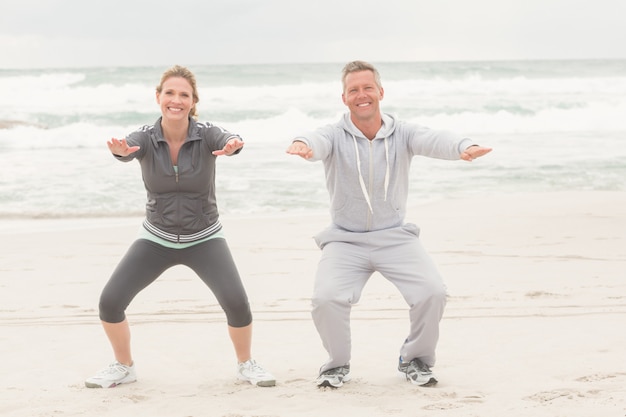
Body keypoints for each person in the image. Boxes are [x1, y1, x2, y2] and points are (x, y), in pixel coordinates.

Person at [286, 60, 491, 389]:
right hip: (345, 240)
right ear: (344, 98)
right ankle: (336, 365)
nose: (361, 94)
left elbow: (434, 138)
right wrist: (304, 145)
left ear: (380, 92)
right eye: (353, 90)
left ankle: (415, 358)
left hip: (395, 236)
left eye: (368, 88)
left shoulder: (402, 133)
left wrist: (462, 147)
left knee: (432, 292)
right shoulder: (334, 135)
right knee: (326, 299)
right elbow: (316, 140)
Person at [85, 65, 275, 389]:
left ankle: (246, 364)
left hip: (204, 237)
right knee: (110, 301)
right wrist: (120, 152)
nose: (176, 100)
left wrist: (234, 145)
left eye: (184, 95)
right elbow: (128, 148)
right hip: (156, 238)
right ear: (158, 97)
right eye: (170, 93)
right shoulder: (145, 136)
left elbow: (230, 138)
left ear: (193, 101)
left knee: (237, 302)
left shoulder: (206, 133)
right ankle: (124, 366)